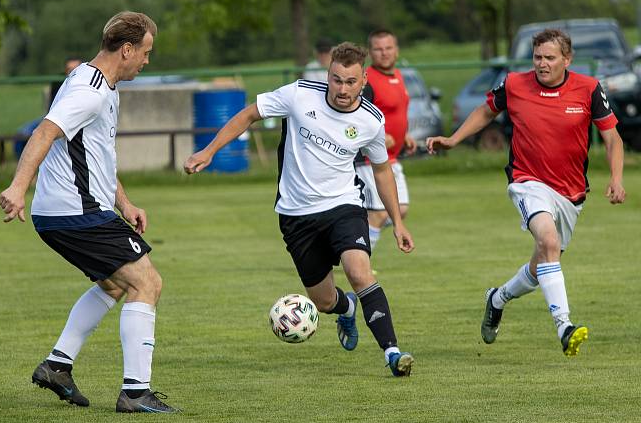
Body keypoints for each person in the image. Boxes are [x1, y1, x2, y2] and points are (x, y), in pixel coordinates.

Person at [184, 42, 417, 376]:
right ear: (328, 75)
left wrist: (397, 222)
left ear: (363, 80)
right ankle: (347, 309)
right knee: (323, 302)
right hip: (296, 215)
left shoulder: (370, 121)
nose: (342, 89)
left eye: (351, 82)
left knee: (358, 272)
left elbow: (381, 171)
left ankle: (393, 353)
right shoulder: (299, 95)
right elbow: (250, 113)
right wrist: (209, 151)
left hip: (344, 205)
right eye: (337, 80)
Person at [0, 11, 180, 413]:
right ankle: (135, 393)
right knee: (146, 283)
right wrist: (17, 187)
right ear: (127, 49)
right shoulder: (91, 91)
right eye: (146, 53)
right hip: (73, 212)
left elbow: (95, 155)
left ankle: (57, 365)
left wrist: (124, 202)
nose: (147, 61)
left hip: (75, 210)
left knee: (115, 285)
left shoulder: (99, 82)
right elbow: (44, 133)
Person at [426, 28, 625, 357]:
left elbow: (613, 137)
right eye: (537, 57)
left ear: (567, 60)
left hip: (571, 193)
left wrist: (617, 178)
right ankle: (565, 327)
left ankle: (497, 298)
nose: (542, 64)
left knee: (541, 264)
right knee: (548, 242)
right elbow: (486, 111)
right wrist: (453, 139)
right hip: (527, 181)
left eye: (549, 58)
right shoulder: (514, 83)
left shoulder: (588, 88)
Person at [354, 30, 416, 249]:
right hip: (370, 160)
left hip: (392, 158)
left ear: (396, 50)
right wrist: (376, 137)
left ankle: (351, 236)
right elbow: (356, 116)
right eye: (378, 49)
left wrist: (403, 136)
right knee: (380, 213)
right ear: (370, 53)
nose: (384, 53)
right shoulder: (366, 82)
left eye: (388, 48)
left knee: (401, 209)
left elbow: (395, 113)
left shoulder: (398, 75)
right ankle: (360, 262)